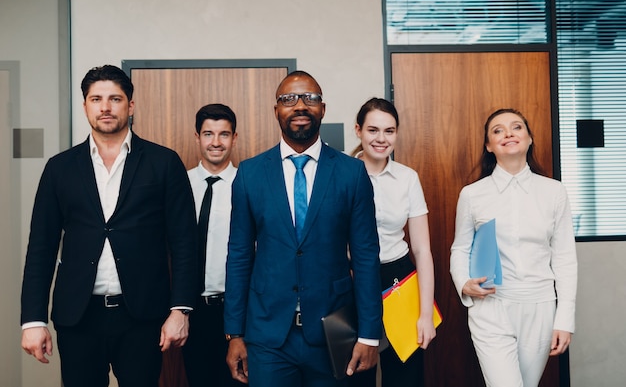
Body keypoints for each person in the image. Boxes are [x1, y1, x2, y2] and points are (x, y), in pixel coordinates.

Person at [20, 65, 198, 387]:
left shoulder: (164, 163)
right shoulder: (60, 168)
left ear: (130, 106)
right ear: (86, 105)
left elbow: (185, 243)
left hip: (143, 317)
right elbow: (41, 247)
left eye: (115, 99)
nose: (105, 107)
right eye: (96, 99)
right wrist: (33, 319)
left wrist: (181, 309)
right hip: (78, 317)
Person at [224, 70, 382, 387]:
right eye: (288, 99)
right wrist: (235, 333)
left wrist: (370, 334)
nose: (299, 105)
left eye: (309, 98)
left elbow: (365, 257)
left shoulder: (352, 174)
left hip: (334, 331)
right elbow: (239, 255)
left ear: (322, 109)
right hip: (268, 336)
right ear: (276, 111)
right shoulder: (250, 174)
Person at [449, 108, 578, 387]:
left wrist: (564, 319)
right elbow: (460, 248)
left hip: (540, 306)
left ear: (529, 138)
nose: (508, 133)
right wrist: (463, 283)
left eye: (516, 127)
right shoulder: (472, 194)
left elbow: (565, 258)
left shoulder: (554, 192)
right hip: (490, 307)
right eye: (498, 130)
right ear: (489, 146)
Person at [347, 98, 436, 387]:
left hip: (399, 278)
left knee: (405, 376)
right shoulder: (340, 174)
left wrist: (424, 314)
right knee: (355, 372)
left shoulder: (407, 178)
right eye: (373, 130)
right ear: (358, 130)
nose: (381, 139)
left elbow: (423, 250)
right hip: (352, 277)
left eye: (389, 131)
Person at [182, 103, 244, 387]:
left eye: (224, 134)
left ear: (234, 137)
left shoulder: (247, 184)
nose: (216, 142)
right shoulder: (180, 184)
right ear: (197, 137)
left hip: (236, 308)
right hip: (190, 309)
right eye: (208, 134)